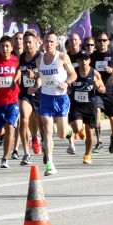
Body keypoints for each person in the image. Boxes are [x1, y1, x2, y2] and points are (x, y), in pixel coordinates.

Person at [29, 32, 77, 176]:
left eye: (51, 42)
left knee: (61, 134)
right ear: (43, 43)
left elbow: (73, 74)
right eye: (46, 42)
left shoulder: (62, 57)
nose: (49, 44)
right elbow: (41, 78)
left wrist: (66, 82)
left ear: (56, 43)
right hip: (46, 98)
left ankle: (69, 131)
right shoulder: (39, 60)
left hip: (61, 98)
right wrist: (35, 86)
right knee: (47, 129)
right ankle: (50, 163)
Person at [0, 35, 20, 169]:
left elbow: (20, 71)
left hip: (12, 101)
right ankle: (2, 135)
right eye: (2, 46)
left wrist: (15, 81)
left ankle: (5, 158)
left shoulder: (16, 60)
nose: (5, 49)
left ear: (11, 48)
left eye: (7, 46)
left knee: (10, 128)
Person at [69, 50, 106, 164]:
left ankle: (87, 155)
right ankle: (80, 130)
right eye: (81, 59)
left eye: (86, 59)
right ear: (77, 61)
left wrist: (98, 87)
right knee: (75, 128)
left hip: (90, 105)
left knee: (90, 133)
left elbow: (103, 89)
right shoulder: (74, 73)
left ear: (89, 61)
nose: (84, 62)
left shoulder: (94, 73)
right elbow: (67, 84)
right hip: (77, 105)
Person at [15, 29, 42, 166]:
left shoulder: (40, 58)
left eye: (30, 42)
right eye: (25, 42)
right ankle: (26, 153)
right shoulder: (21, 57)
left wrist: (36, 78)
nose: (27, 45)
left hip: (40, 94)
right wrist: (16, 78)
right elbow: (19, 69)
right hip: (25, 93)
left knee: (39, 121)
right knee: (24, 119)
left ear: (36, 42)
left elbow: (44, 77)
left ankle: (37, 138)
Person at [91, 32, 113, 154]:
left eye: (104, 40)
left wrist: (112, 71)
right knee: (96, 111)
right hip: (97, 90)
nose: (102, 43)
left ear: (108, 42)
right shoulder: (93, 56)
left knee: (112, 116)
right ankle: (99, 141)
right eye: (99, 40)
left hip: (110, 90)